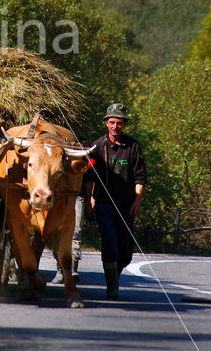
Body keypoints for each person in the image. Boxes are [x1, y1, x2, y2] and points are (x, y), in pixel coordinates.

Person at [85, 103, 147, 299]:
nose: (115, 126)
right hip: (104, 203)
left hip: (126, 205)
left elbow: (140, 176)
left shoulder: (133, 146)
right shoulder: (97, 147)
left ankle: (115, 276)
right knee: (110, 243)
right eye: (112, 122)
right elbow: (88, 178)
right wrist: (89, 201)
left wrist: (137, 201)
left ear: (124, 124)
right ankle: (112, 286)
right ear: (106, 123)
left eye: (119, 123)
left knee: (126, 252)